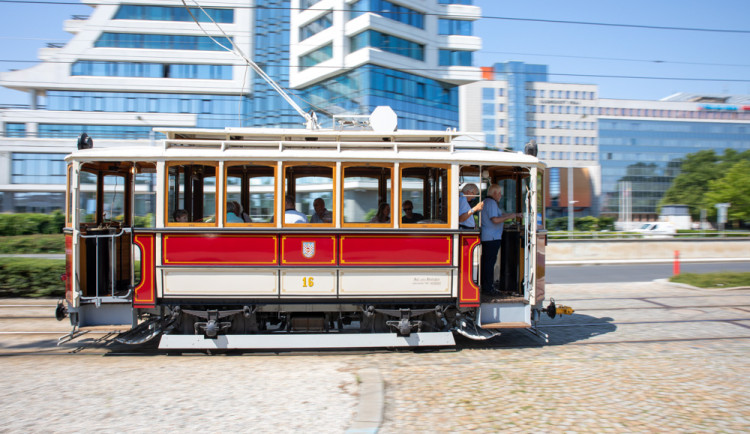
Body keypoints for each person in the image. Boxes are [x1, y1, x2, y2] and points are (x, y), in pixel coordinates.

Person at [480, 184, 521, 296]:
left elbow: (499, 215)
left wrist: (513, 215)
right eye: (499, 193)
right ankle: (488, 288)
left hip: (488, 236)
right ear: (495, 193)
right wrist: (511, 216)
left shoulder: (487, 202)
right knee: (489, 263)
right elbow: (495, 219)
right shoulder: (492, 203)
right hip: (492, 237)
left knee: (487, 262)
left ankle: (486, 285)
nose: (501, 195)